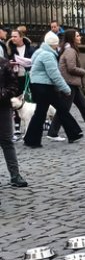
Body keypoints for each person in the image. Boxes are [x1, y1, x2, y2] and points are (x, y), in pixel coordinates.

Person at [22, 31, 83, 148]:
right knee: (60, 109)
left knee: (41, 113)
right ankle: (74, 132)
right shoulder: (48, 55)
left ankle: (31, 139)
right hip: (45, 86)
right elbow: (54, 74)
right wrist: (65, 88)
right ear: (54, 44)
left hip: (38, 85)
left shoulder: (40, 51)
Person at [46, 29, 85, 141]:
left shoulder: (70, 49)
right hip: (69, 83)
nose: (80, 37)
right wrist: (83, 71)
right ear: (72, 38)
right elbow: (71, 68)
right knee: (64, 109)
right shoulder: (70, 51)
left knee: (83, 106)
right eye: (78, 36)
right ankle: (52, 132)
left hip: (72, 83)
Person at [0, 56, 27, 188]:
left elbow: (13, 85)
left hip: (3, 107)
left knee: (7, 140)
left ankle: (15, 175)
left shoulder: (3, 63)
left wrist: (3, 93)